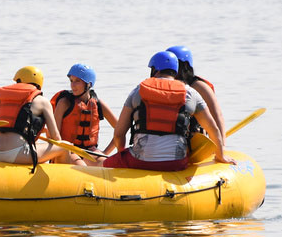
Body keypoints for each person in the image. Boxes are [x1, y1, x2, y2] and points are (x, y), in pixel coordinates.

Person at [99, 51, 233, 171]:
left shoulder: (137, 92)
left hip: (138, 161)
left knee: (105, 165)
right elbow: (213, 129)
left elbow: (118, 134)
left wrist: (122, 155)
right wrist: (220, 156)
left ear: (154, 71)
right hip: (176, 163)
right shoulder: (191, 93)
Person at [0, 66, 80, 168]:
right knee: (64, 147)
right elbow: (56, 138)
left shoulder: (3, 97)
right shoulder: (42, 101)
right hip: (15, 153)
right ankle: (63, 180)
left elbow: (13, 127)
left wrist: (43, 131)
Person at [50, 63, 120, 156]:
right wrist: (64, 150)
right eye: (71, 81)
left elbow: (120, 130)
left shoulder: (98, 104)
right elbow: (54, 135)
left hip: (89, 153)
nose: (72, 85)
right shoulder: (64, 103)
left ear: (88, 84)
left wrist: (105, 152)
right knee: (80, 164)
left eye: (77, 81)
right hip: (66, 152)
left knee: (103, 163)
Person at [166, 45, 225, 141]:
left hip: (196, 138)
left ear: (185, 66)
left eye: (176, 64)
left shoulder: (200, 87)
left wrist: (222, 146)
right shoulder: (164, 85)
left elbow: (217, 116)